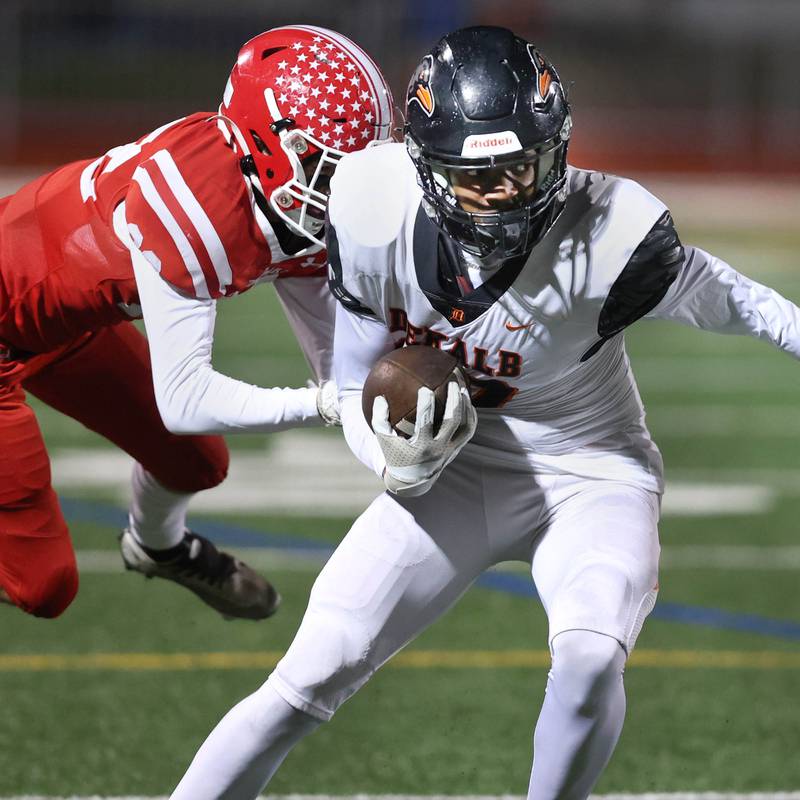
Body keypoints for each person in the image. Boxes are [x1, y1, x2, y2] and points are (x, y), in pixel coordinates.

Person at [167, 25, 800, 799]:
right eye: (479, 175)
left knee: (591, 656)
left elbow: (744, 304)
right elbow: (353, 381)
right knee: (306, 676)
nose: (505, 192)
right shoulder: (371, 207)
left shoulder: (614, 234)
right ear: (427, 172)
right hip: (451, 478)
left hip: (589, 472)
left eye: (521, 167)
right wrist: (392, 458)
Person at [0, 25, 394, 621]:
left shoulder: (290, 200)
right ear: (268, 143)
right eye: (331, 166)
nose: (351, 188)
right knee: (45, 587)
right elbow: (185, 401)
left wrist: (389, 429)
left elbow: (341, 367)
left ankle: (157, 546)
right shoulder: (194, 203)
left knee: (198, 463)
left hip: (58, 322)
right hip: (8, 325)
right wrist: (323, 405)